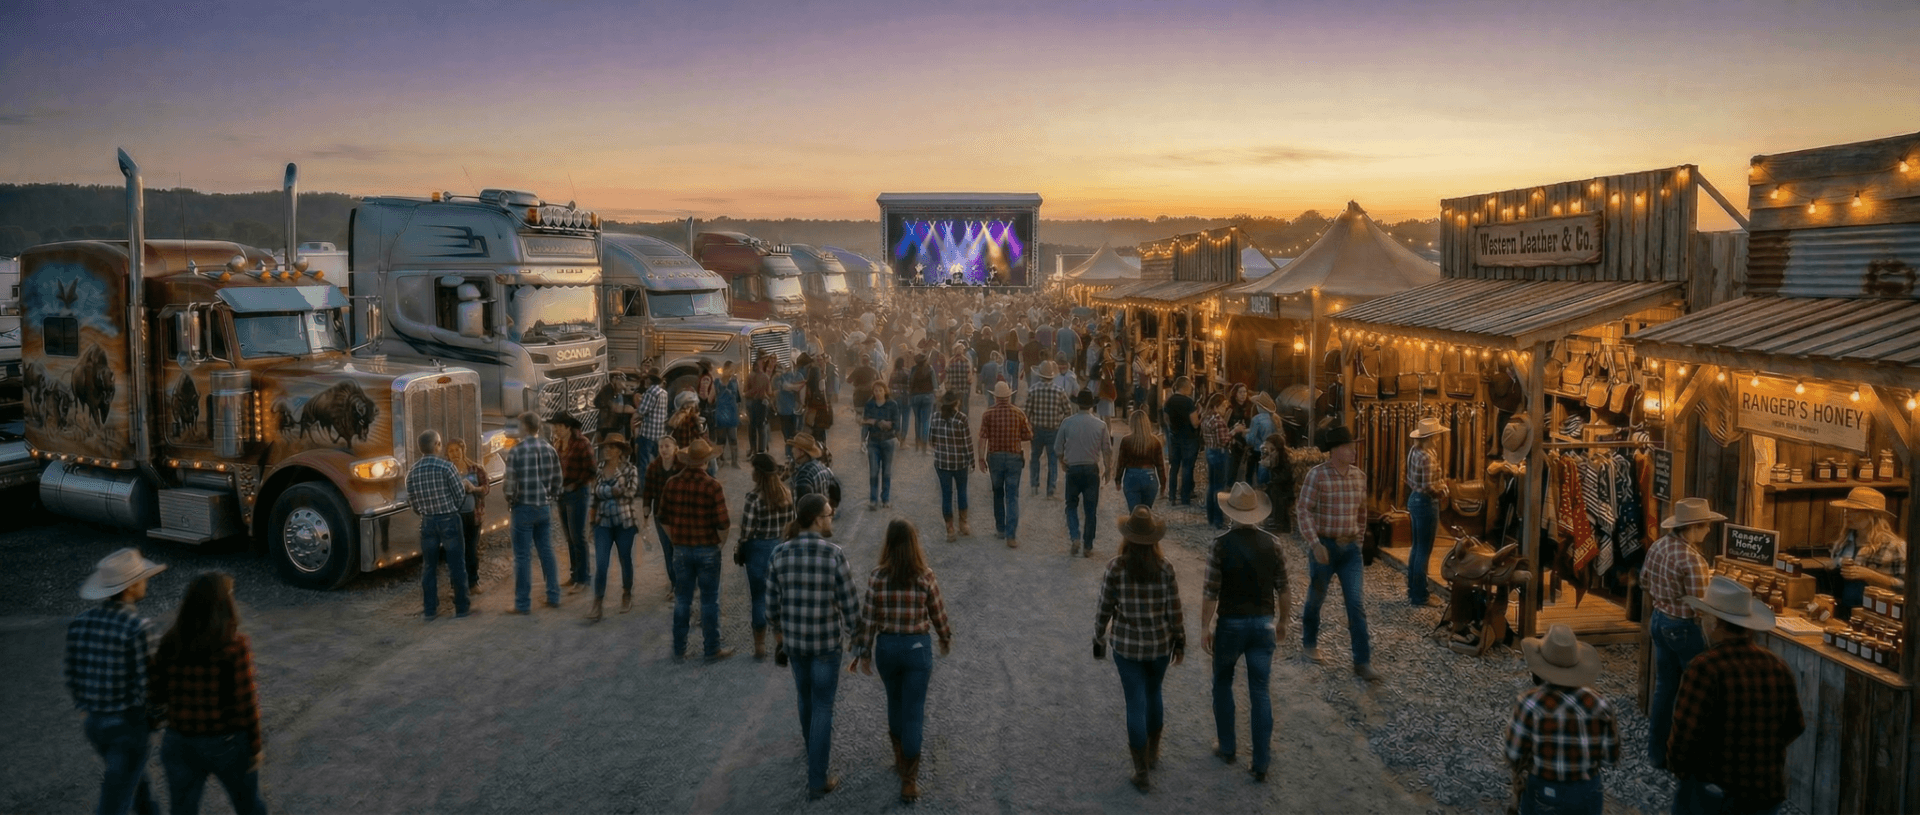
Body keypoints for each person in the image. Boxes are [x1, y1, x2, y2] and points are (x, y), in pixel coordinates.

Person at [1669, 576, 1806, 814]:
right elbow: (1794, 725)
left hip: (1714, 792)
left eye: (1703, 617)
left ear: (1713, 623)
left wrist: (1682, 771)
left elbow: (1684, 737)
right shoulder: (1778, 666)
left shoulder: (1704, 668)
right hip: (1765, 792)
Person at [850, 520, 955, 804]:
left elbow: (868, 617)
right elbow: (938, 612)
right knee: (914, 711)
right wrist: (945, 637)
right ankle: (909, 780)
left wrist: (863, 652)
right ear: (913, 545)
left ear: (888, 543)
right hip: (917, 648)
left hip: (888, 648)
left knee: (894, 703)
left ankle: (899, 758)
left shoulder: (877, 576)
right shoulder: (925, 576)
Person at [767, 494, 863, 800]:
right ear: (816, 519)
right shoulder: (833, 554)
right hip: (825, 645)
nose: (831, 518)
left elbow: (770, 607)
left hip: (796, 644)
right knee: (823, 706)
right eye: (829, 514)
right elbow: (850, 606)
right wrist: (858, 642)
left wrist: (780, 637)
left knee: (805, 699)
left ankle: (813, 753)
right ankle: (817, 778)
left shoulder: (779, 554)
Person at [149, 572, 268, 815]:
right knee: (248, 805)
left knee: (182, 809)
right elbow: (245, 705)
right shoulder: (234, 646)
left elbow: (156, 691)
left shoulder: (170, 641)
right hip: (225, 741)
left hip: (179, 740)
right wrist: (255, 747)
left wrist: (157, 719)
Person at [1201, 483, 1291, 782]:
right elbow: (1284, 587)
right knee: (1260, 691)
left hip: (1231, 623)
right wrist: (1283, 622)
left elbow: (1211, 591)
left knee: (1223, 683)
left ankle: (1227, 748)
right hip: (1263, 623)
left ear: (1232, 514)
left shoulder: (1220, 545)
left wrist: (1204, 626)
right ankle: (1261, 762)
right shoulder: (1273, 544)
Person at [66, 548, 166, 815]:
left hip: (96, 724)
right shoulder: (139, 627)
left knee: (136, 784)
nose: (145, 583)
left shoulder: (80, 623)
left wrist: (85, 707)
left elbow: (72, 674)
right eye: (142, 579)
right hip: (128, 726)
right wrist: (157, 719)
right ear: (131, 587)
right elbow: (152, 687)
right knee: (116, 801)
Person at [1094, 507, 1186, 793]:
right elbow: (1175, 609)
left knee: (1135, 702)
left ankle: (1141, 770)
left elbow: (1104, 607)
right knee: (1154, 693)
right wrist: (1180, 640)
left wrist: (1098, 636)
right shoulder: (1165, 568)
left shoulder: (1115, 567)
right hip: (1159, 646)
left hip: (1127, 647)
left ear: (1128, 537)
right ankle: (1154, 752)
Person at [1641, 496, 1724, 769]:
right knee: (1695, 693)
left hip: (1659, 620)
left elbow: (1644, 580)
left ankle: (1656, 753)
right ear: (1694, 527)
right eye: (1705, 526)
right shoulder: (1693, 560)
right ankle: (1692, 756)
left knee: (1665, 689)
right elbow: (1700, 605)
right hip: (1683, 627)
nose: (1708, 531)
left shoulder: (1659, 546)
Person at [1504, 624, 1620, 815]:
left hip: (1545, 787)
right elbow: (1610, 757)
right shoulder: (1600, 704)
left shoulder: (1529, 704)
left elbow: (1513, 753)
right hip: (1586, 790)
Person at [1297, 426, 1379, 681]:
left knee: (1356, 604)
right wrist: (1314, 543)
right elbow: (1303, 510)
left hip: (1350, 550)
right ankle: (1309, 644)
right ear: (1334, 451)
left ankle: (1362, 662)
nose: (1354, 450)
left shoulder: (1359, 477)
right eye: (1348, 446)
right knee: (1316, 598)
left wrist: (1359, 539)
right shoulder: (1317, 476)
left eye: (1354, 446)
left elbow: (1362, 512)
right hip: (1325, 546)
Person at [660, 439, 735, 663]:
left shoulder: (672, 483)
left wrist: (676, 539)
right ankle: (711, 649)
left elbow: (663, 518)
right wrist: (719, 544)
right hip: (707, 549)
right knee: (709, 601)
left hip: (682, 548)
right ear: (705, 461)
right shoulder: (713, 486)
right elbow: (723, 524)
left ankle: (679, 648)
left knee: (682, 599)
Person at [405, 429, 471, 620]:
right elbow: (459, 495)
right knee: (457, 564)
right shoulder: (446, 468)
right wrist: (450, 507)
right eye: (440, 443)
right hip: (449, 519)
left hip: (427, 522)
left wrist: (426, 512)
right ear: (436, 446)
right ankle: (462, 608)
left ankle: (430, 610)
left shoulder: (412, 472)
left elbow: (413, 502)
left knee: (429, 567)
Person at [736, 452, 797, 660]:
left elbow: (746, 531)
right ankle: (781, 640)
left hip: (758, 550)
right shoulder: (787, 494)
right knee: (780, 597)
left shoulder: (753, 498)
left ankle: (760, 645)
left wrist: (741, 547)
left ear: (759, 474)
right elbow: (792, 525)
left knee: (759, 598)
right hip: (781, 547)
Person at [505, 412, 563, 614]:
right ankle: (553, 595)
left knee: (522, 557)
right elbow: (558, 480)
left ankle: (522, 603)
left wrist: (511, 500)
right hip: (543, 507)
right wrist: (550, 497)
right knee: (546, 551)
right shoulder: (549, 449)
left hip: (523, 507)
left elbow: (509, 485)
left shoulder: (516, 451)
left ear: (525, 427)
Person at [1827, 486, 1906, 620]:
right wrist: (1834, 565)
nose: (1847, 514)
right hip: (1844, 612)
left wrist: (1870, 575)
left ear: (1872, 514)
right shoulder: (1844, 542)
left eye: (1855, 510)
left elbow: (1906, 587)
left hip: (1876, 616)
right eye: (1846, 509)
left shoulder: (1894, 547)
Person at [587, 433, 641, 621]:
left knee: (625, 559)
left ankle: (627, 593)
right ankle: (597, 602)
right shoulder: (599, 469)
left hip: (624, 523)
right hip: (603, 522)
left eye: (610, 447)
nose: (606, 450)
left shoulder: (630, 469)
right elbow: (594, 496)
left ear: (619, 451)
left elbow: (629, 493)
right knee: (601, 564)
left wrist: (606, 491)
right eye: (605, 447)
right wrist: (591, 523)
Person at [978, 380, 1032, 549]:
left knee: (998, 494)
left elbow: (982, 438)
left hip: (994, 457)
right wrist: (1015, 436)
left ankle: (1000, 529)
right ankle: (1011, 535)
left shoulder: (987, 414)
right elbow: (1029, 435)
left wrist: (980, 457)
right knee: (1012, 496)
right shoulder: (1018, 413)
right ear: (1009, 396)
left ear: (995, 397)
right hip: (1014, 458)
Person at [1056, 389, 1110, 557]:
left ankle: (1074, 537)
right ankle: (1088, 546)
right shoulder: (1101, 425)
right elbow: (1107, 450)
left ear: (1077, 404)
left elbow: (1058, 448)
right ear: (1092, 406)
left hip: (1073, 469)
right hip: (1091, 469)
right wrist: (1108, 469)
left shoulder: (1067, 422)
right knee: (1090, 509)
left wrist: (1062, 461)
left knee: (1071, 505)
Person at [1405, 416, 1450, 607]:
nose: (1439, 438)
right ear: (1432, 437)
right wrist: (1443, 491)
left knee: (1416, 548)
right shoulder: (1427, 456)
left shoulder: (1415, 451)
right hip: (1425, 502)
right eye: (1437, 435)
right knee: (1424, 549)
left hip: (1414, 499)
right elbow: (1430, 486)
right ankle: (1420, 595)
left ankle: (1413, 589)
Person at [550, 413, 595, 592]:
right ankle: (575, 574)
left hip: (578, 493)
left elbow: (591, 470)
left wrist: (575, 484)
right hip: (563, 493)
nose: (556, 429)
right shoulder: (559, 444)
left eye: (559, 426)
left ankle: (583, 578)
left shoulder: (582, 443)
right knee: (570, 537)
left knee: (578, 537)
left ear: (568, 427)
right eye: (555, 427)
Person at [445, 438, 489, 596]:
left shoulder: (476, 469)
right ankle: (456, 586)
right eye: (451, 451)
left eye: (457, 450)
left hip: (473, 516)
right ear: (447, 455)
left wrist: (473, 488)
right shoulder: (446, 471)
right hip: (453, 516)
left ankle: (473, 582)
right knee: (455, 551)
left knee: (471, 550)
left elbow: (486, 489)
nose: (455, 453)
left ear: (464, 450)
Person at [930, 390, 975, 541]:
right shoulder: (962, 419)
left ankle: (950, 529)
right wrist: (972, 460)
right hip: (960, 462)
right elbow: (967, 443)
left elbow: (931, 439)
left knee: (946, 495)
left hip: (942, 463)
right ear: (957, 403)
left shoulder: (936, 417)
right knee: (962, 491)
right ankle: (963, 524)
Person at [641, 436, 682, 600]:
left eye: (667, 446)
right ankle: (675, 584)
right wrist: (645, 514)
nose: (663, 449)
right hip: (661, 515)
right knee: (668, 550)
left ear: (675, 448)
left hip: (679, 515)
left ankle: (684, 583)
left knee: (680, 549)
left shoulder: (681, 467)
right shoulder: (653, 467)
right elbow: (648, 492)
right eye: (661, 447)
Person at [1025, 360, 1069, 500]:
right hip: (1053, 430)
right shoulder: (1059, 391)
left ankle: (1034, 485)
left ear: (1040, 375)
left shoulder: (1033, 390)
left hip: (1037, 429)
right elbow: (1067, 412)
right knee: (1052, 460)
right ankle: (1050, 490)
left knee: (1035, 458)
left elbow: (1026, 413)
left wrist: (1029, 428)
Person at [861, 380, 904, 509]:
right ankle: (873, 500)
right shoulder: (869, 404)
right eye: (876, 390)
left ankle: (885, 499)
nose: (878, 393)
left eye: (880, 390)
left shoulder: (892, 404)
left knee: (887, 472)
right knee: (873, 472)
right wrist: (862, 439)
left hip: (888, 441)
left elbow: (896, 424)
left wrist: (888, 425)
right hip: (873, 441)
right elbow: (865, 423)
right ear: (873, 392)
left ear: (885, 391)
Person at [1114, 408, 1167, 511]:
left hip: (1131, 477)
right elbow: (1160, 465)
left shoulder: (1126, 440)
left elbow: (1121, 463)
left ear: (1132, 423)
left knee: (1135, 514)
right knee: (1146, 514)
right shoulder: (1155, 441)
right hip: (1150, 478)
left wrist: (1118, 480)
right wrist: (1163, 483)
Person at [1161, 376, 1200, 507]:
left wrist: (1172, 428)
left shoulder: (1169, 400)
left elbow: (1166, 418)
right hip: (1188, 438)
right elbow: (1195, 423)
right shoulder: (1188, 402)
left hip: (1174, 437)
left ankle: (1172, 496)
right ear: (1186, 386)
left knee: (1174, 467)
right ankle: (1185, 497)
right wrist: (1201, 416)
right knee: (1187, 468)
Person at [1200, 393, 1234, 530]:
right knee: (1220, 487)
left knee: (1212, 485)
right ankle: (1219, 520)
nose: (1225, 409)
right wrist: (1234, 431)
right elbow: (1224, 440)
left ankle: (1211, 517)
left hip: (1209, 451)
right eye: (1223, 406)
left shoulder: (1206, 418)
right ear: (1216, 406)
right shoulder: (1218, 421)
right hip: (1220, 453)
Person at [634, 372, 669, 474]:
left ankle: (643, 487)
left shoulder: (650, 393)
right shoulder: (664, 393)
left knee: (643, 464)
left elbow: (642, 410)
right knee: (659, 462)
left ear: (649, 379)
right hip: (660, 433)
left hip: (648, 434)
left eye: (646, 379)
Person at [789, 433, 834, 505]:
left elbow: (802, 507)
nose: (792, 450)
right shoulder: (824, 468)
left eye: (794, 447)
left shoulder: (804, 475)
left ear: (801, 451)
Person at [713, 362, 742, 468]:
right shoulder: (717, 382)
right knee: (721, 439)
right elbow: (712, 397)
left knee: (733, 438)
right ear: (724, 370)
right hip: (721, 413)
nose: (730, 372)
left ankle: (735, 461)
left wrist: (739, 412)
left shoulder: (734, 382)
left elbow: (738, 398)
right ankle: (720, 460)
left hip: (732, 414)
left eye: (732, 370)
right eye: (729, 370)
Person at [745, 353, 775, 455]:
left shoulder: (750, 376)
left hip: (754, 403)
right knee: (761, 427)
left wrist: (753, 392)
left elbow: (745, 392)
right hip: (760, 403)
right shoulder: (764, 377)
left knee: (753, 427)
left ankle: (754, 449)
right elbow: (770, 392)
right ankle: (761, 450)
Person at [595, 371, 636, 444]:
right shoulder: (607, 390)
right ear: (614, 380)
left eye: (623, 380)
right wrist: (624, 409)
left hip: (617, 427)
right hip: (607, 429)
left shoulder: (619, 392)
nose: (623, 383)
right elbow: (613, 407)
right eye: (620, 379)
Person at [909, 352, 937, 453]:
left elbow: (910, 382)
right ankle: (924, 445)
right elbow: (934, 384)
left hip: (915, 396)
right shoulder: (930, 369)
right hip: (928, 396)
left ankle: (917, 443)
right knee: (926, 421)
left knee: (917, 420)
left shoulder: (913, 369)